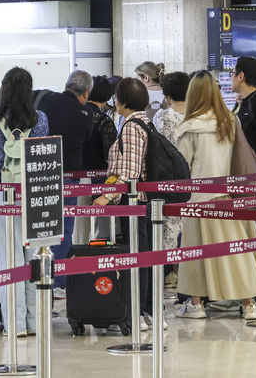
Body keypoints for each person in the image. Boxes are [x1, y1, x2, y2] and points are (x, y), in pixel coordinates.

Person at [173, 70, 256, 320]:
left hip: (199, 198)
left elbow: (182, 166)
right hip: (231, 196)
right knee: (238, 252)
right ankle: (249, 304)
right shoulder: (230, 121)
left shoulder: (189, 127)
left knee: (196, 253)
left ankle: (197, 303)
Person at [0, 67, 49, 337]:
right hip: (36, 194)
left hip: (4, 195)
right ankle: (36, 323)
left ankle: (15, 325)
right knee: (36, 260)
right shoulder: (41, 119)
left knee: (9, 262)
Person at [92, 77, 165, 331]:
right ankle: (149, 311)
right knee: (145, 255)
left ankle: (139, 311)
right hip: (144, 202)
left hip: (135, 203)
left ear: (122, 101)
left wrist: (106, 196)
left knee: (138, 257)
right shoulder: (146, 121)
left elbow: (129, 172)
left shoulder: (132, 126)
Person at [37, 70, 94, 290]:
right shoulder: (86, 115)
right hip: (69, 178)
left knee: (42, 229)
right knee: (64, 231)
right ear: (86, 93)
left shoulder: (46, 102)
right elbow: (87, 139)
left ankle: (40, 279)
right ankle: (58, 282)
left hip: (41, 175)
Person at [151, 71, 189, 290]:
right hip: (197, 176)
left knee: (171, 226)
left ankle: (172, 272)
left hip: (171, 177)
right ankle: (185, 272)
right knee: (189, 225)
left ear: (167, 96)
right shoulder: (197, 115)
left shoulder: (164, 116)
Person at [75, 75, 118, 244]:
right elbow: (111, 156)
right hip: (99, 179)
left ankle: (77, 258)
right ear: (107, 97)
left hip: (76, 177)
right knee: (98, 229)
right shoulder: (103, 120)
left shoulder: (76, 115)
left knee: (79, 227)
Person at [152, 71, 189, 146]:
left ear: (168, 96)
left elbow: (156, 143)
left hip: (168, 157)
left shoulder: (162, 116)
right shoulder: (197, 114)